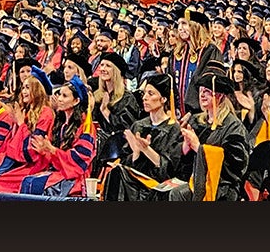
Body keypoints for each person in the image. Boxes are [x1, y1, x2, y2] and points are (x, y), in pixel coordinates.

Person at [167, 63, 250, 201]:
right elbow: (175, 158)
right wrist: (185, 148)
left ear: (220, 96)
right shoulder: (196, 121)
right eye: (201, 91)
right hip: (193, 179)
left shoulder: (233, 126)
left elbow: (235, 168)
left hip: (221, 186)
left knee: (178, 194)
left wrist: (199, 148)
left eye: (207, 91)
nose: (202, 95)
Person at [0, 67, 56, 193]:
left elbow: (32, 150)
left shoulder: (46, 113)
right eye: (23, 87)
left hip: (31, 163)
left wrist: (20, 124)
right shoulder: (25, 111)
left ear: (37, 91)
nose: (24, 91)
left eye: (28, 88)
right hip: (15, 159)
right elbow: (12, 143)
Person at [102, 74, 185, 201]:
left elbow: (169, 170)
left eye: (151, 94)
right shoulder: (139, 125)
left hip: (156, 186)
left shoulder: (174, 129)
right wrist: (136, 152)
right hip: (134, 181)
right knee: (116, 173)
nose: (145, 98)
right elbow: (127, 163)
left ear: (163, 99)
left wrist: (146, 150)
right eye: (144, 93)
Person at [21, 75, 97, 196]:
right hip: (58, 170)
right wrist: (44, 151)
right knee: (26, 181)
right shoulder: (59, 123)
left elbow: (79, 162)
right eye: (60, 94)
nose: (59, 99)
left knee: (33, 185)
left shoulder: (86, 126)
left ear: (76, 101)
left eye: (65, 96)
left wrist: (51, 150)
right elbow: (51, 155)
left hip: (74, 177)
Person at [90, 52, 142, 175]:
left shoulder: (127, 98)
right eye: (101, 65)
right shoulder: (96, 96)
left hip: (117, 149)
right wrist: (90, 108)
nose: (103, 69)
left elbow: (126, 129)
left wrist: (105, 111)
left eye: (108, 66)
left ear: (117, 72)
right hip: (96, 143)